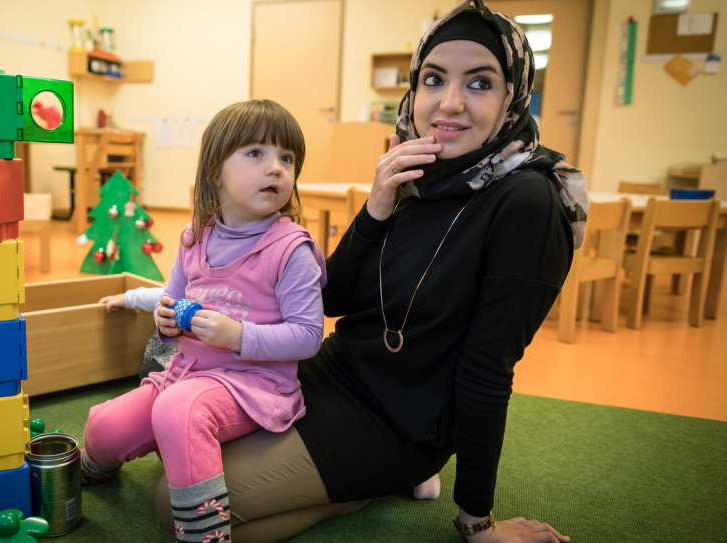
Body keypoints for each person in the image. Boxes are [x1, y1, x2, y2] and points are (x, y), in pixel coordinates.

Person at [152, 1, 588, 541]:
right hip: (333, 375)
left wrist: (478, 522)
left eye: (479, 83)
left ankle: (367, 487)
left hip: (399, 424)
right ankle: (353, 484)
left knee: (179, 504)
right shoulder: (421, 172)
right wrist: (378, 203)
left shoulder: (526, 201)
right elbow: (329, 300)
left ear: (511, 97)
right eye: (434, 79)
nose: (449, 103)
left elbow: (487, 370)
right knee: (182, 456)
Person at [81, 99, 328, 543]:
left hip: (254, 387)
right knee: (104, 428)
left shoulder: (292, 250)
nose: (275, 168)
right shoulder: (197, 235)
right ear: (215, 173)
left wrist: (239, 336)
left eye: (286, 158)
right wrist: (165, 318)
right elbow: (174, 297)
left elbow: (310, 335)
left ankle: (206, 535)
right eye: (256, 153)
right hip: (184, 374)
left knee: (179, 411)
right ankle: (84, 470)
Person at [99, 287, 174, 380]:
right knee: (150, 371)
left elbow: (167, 296)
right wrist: (127, 299)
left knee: (152, 372)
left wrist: (128, 299)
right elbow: (167, 294)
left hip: (188, 349)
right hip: (176, 341)